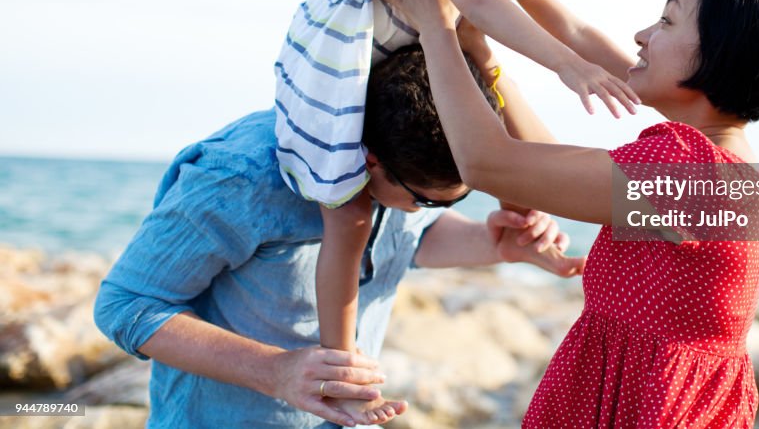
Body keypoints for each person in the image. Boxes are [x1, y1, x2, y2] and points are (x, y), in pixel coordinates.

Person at [380, 0, 759, 428]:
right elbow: (549, 166)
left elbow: (488, 165)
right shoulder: (726, 175)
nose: (642, 35)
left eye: (667, 21)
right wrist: (485, 55)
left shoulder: (689, 175)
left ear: (721, 55)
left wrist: (436, 27)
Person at [275, 0, 639, 423]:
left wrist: (653, 85)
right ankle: (340, 368)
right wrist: (568, 68)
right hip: (324, 94)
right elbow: (477, 8)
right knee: (351, 216)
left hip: (381, 81)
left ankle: (522, 216)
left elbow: (573, 27)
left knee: (483, 107)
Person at [94, 45, 584, 428]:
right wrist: (276, 370)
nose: (436, 209)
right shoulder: (242, 173)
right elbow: (126, 304)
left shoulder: (406, 153)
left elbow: (403, 236)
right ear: (371, 160)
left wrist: (491, 244)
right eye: (432, 199)